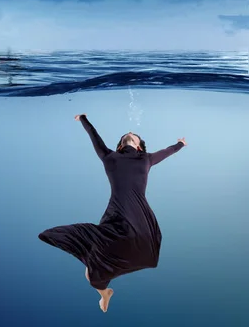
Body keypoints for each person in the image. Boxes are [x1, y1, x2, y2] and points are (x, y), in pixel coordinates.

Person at [38, 113, 186, 313]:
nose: (130, 134)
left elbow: (168, 151)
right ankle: (105, 292)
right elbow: (94, 136)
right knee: (92, 276)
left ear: (140, 146)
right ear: (119, 146)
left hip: (139, 217)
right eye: (129, 134)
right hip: (116, 217)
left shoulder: (147, 159)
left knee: (91, 274)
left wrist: (180, 145)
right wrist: (83, 119)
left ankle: (104, 289)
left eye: (134, 135)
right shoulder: (110, 157)